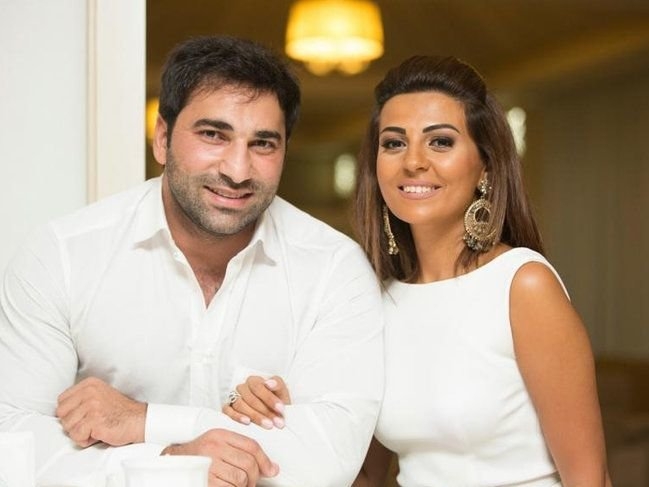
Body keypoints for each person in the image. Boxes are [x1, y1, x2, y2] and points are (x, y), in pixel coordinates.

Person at [0, 36, 384, 487]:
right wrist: (170, 458)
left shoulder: (333, 269)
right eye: (213, 135)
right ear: (162, 139)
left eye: (263, 143)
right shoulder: (64, 254)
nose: (237, 170)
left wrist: (142, 420)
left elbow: (327, 459)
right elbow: (13, 440)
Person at [225, 56, 612, 486]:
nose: (413, 161)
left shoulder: (522, 286)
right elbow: (361, 475)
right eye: (393, 143)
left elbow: (589, 479)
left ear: (485, 165)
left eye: (440, 142)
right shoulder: (373, 300)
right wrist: (279, 414)